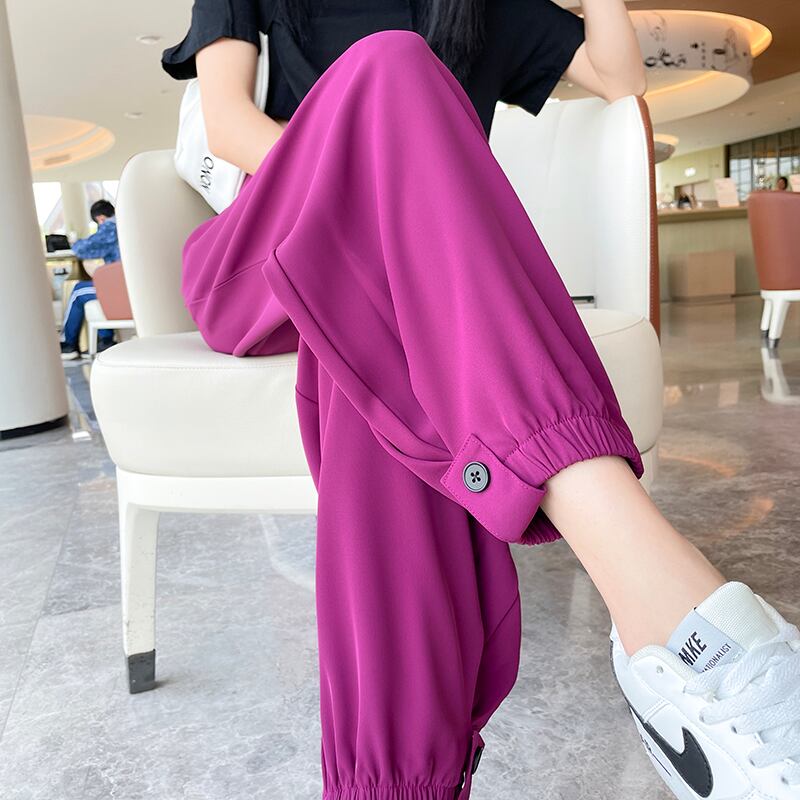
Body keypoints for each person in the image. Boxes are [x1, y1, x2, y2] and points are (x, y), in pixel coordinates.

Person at [161, 2, 800, 798]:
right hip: (261, 249)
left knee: (387, 348)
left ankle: (399, 785)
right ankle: (681, 624)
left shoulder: (481, 6)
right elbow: (227, 126)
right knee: (391, 65)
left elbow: (620, 78)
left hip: (396, 274)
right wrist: (371, 168)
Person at [60, 199, 120, 360]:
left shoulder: (111, 228)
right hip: (130, 285)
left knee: (78, 291)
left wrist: (73, 242)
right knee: (98, 288)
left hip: (122, 288)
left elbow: (82, 249)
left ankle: (69, 345)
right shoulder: (126, 224)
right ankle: (105, 340)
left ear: (100, 218)